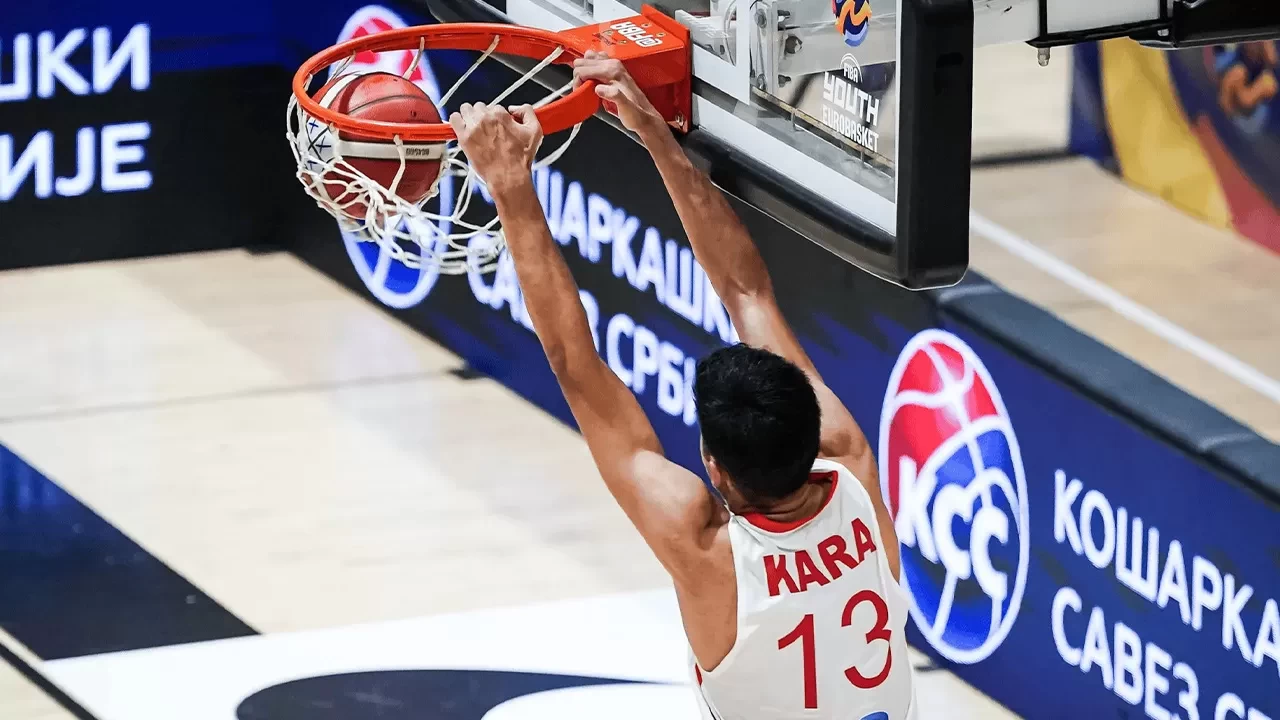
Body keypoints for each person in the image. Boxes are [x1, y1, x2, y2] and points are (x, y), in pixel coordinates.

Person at [448, 53, 915, 720]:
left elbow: (581, 369)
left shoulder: (712, 552)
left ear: (714, 467)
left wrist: (512, 187)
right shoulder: (850, 468)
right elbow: (746, 290)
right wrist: (657, 138)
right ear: (809, 424)